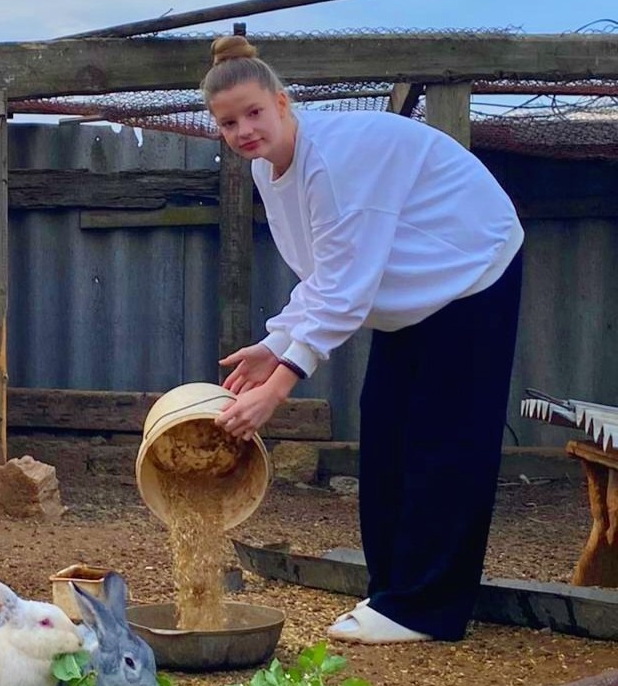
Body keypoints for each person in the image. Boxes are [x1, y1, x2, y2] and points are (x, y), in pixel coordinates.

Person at [206, 36, 523, 644]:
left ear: (283, 102)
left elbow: (346, 289)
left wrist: (276, 390)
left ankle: (426, 609)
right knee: (385, 424)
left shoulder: (332, 161)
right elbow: (325, 273)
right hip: (408, 287)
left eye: (254, 113)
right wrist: (276, 341)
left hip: (470, 266)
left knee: (444, 438)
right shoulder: (268, 168)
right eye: (228, 123)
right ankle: (392, 591)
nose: (244, 129)